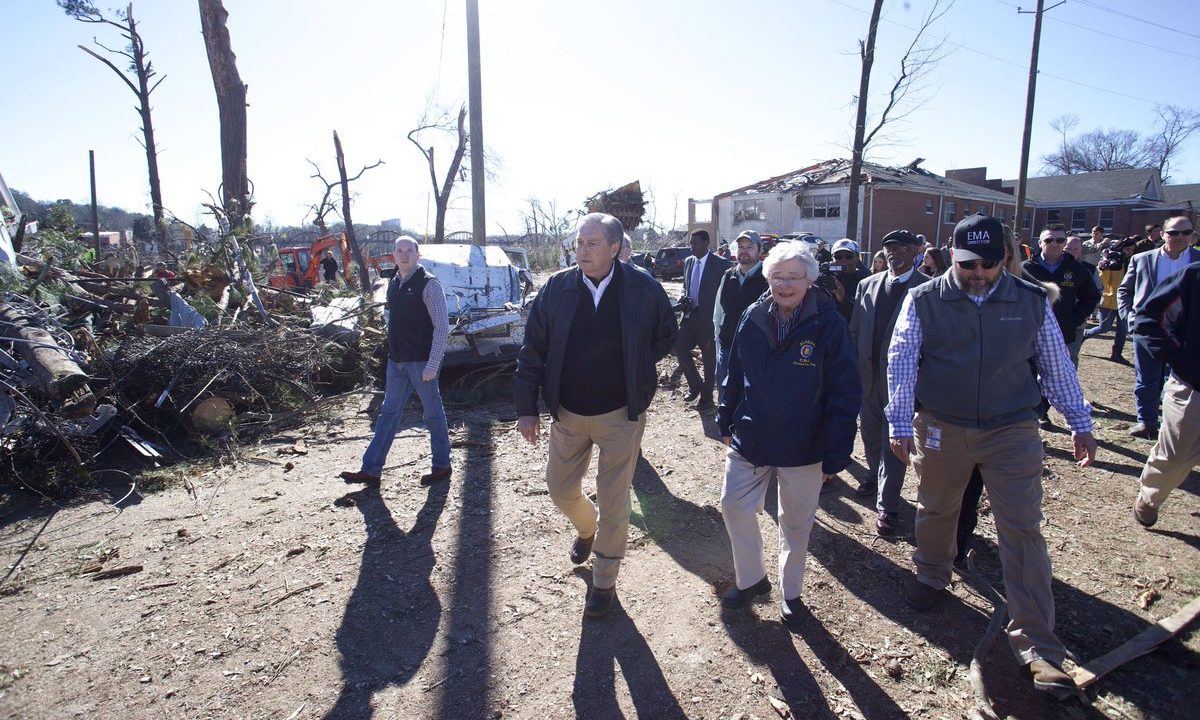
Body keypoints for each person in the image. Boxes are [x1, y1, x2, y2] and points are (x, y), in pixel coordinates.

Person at [886, 214, 1097, 699]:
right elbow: (900, 360)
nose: (978, 272)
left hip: (1011, 428)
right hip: (942, 423)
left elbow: (1055, 364)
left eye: (988, 263)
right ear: (951, 256)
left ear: (1006, 257)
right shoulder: (924, 299)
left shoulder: (1029, 300)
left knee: (1021, 527)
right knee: (937, 507)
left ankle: (1039, 647)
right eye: (967, 263)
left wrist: (1079, 421)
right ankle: (932, 572)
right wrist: (899, 422)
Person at [514, 212, 677, 619]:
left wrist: (637, 367)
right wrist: (525, 408)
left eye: (591, 244)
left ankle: (604, 580)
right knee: (560, 489)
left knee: (614, 500)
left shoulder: (642, 288)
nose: (581, 252)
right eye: (578, 244)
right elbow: (532, 349)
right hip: (568, 413)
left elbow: (666, 334)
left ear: (615, 248)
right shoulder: (557, 288)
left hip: (621, 415)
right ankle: (586, 530)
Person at [717, 242, 860, 628]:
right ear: (768, 278)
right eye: (777, 276)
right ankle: (752, 579)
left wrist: (836, 452)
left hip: (804, 442)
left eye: (793, 277)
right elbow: (734, 368)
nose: (784, 284)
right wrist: (725, 415)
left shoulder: (828, 322)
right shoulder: (753, 314)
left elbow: (845, 390)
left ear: (809, 279)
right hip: (753, 434)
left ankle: (791, 593)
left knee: (795, 523)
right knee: (733, 504)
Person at [340, 236, 452, 488]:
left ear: (417, 254)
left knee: (433, 414)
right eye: (399, 251)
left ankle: (442, 465)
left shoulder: (429, 285)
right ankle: (371, 469)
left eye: (408, 251)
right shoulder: (394, 283)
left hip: (422, 363)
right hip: (397, 362)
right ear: (393, 255)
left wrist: (433, 363)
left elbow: (442, 327)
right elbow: (393, 319)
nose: (404, 255)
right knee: (388, 414)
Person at [848, 229, 931, 534]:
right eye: (889, 248)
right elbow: (855, 331)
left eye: (901, 247)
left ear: (915, 251)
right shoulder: (867, 285)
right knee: (870, 434)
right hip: (867, 377)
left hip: (904, 382)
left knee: (893, 441)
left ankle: (888, 506)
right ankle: (874, 475)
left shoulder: (928, 288)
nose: (894, 253)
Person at [1117, 214, 1200, 438]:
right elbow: (1125, 290)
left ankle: (1174, 426)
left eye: (1186, 232)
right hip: (1149, 330)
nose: (1180, 237)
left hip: (1187, 333)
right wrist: (1128, 317)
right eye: (1173, 232)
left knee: (1182, 380)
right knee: (1146, 378)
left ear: (1193, 235)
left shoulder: (1197, 261)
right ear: (1162, 234)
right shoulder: (1142, 259)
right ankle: (1146, 422)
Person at [1130, 262, 1200, 527]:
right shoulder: (1193, 277)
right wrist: (1181, 361)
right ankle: (1149, 498)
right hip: (1193, 388)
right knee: (1175, 457)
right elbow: (1150, 318)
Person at [674, 229, 731, 411]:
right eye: (691, 243)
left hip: (709, 320)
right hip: (690, 317)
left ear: (706, 243)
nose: (692, 246)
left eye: (695, 243)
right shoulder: (689, 261)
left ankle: (707, 399)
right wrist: (684, 296)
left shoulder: (721, 264)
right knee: (679, 348)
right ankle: (696, 384)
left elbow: (726, 293)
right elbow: (685, 285)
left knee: (709, 360)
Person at [713, 230, 768, 406]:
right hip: (727, 348)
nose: (744, 251)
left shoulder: (768, 278)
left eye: (750, 247)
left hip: (756, 352)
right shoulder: (728, 276)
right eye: (741, 247)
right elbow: (718, 313)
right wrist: (718, 344)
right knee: (725, 397)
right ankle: (727, 432)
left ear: (760, 251)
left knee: (751, 400)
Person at [1081, 237, 1137, 362]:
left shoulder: (1133, 262)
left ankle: (1117, 354)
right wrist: (1105, 268)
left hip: (1125, 301)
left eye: (1132, 250)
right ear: (1121, 247)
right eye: (1128, 249)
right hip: (1109, 299)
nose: (1130, 252)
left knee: (1123, 330)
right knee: (1104, 327)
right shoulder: (1112, 261)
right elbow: (1103, 283)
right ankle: (1084, 334)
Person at [826, 238, 869, 322]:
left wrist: (843, 298)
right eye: (838, 256)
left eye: (849, 256)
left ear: (857, 258)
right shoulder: (827, 277)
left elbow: (865, 314)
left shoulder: (865, 280)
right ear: (832, 259)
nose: (843, 260)